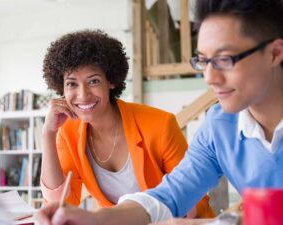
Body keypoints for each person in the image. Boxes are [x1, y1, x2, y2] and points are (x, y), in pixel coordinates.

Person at [35, 0, 283, 222]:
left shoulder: (161, 123)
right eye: (203, 61)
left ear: (274, 53)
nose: (209, 77)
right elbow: (170, 195)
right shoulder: (219, 125)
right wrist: (95, 220)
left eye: (225, 59)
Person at [39, 29, 214, 219]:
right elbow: (60, 204)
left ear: (111, 81)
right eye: (72, 84)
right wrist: (48, 134)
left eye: (93, 81)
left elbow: (192, 200)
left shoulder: (160, 125)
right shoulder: (68, 132)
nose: (82, 95)